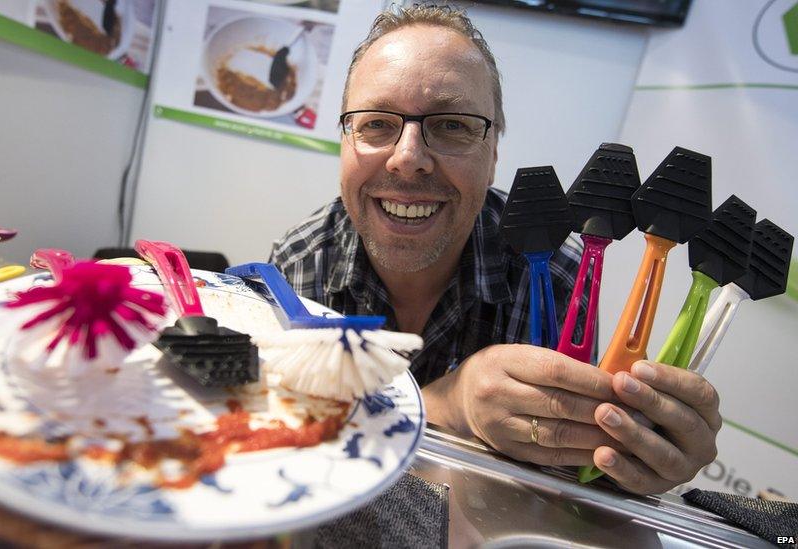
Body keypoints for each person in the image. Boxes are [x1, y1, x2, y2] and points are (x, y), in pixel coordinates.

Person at [269, 5, 720, 495]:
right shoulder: (298, 264)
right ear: (343, 140)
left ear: (494, 156)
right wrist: (449, 401)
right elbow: (277, 435)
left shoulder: (553, 271)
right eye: (376, 123)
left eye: (452, 126)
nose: (408, 158)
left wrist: (628, 463)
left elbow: (555, 478)